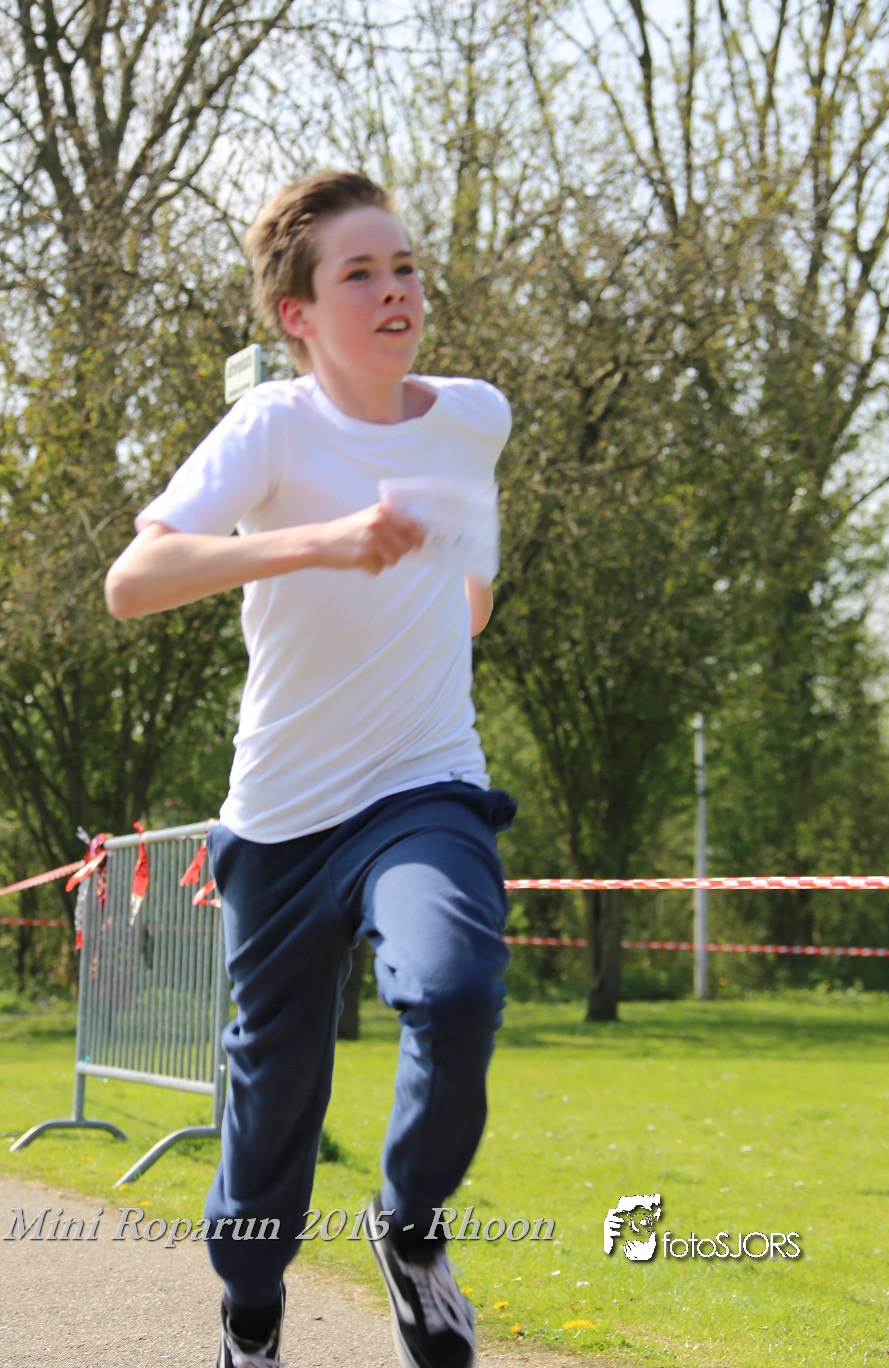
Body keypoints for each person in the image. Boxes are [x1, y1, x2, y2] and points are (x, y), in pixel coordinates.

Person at [105, 170, 516, 1368]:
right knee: (272, 1104)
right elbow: (134, 581)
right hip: (283, 820)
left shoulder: (473, 416)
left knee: (454, 989)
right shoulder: (271, 430)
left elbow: (472, 600)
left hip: (424, 786)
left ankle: (412, 1232)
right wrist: (322, 544)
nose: (395, 292)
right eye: (360, 275)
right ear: (298, 314)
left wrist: (439, 586)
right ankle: (250, 1312)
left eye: (406, 269)